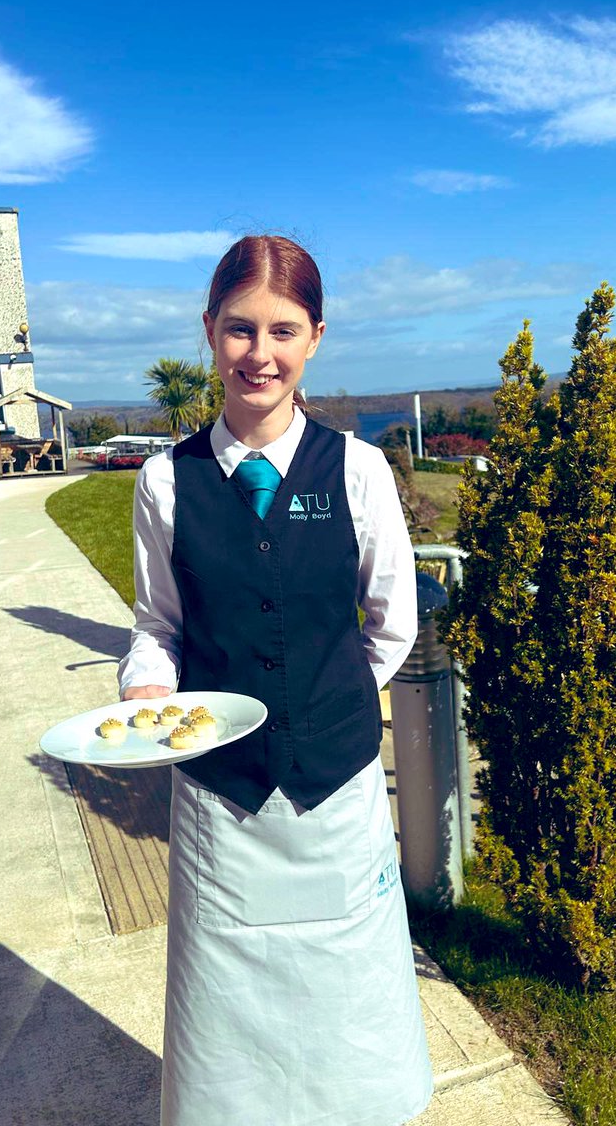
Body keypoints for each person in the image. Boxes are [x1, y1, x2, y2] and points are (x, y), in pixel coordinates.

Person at [118, 235, 433, 1126]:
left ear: (315, 338)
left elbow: (390, 623)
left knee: (349, 1004)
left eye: (283, 331)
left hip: (336, 793)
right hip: (222, 803)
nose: (261, 354)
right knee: (231, 1026)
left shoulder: (360, 472)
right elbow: (158, 625)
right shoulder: (163, 481)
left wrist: (321, 701)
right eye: (240, 329)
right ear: (209, 332)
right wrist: (149, 687)